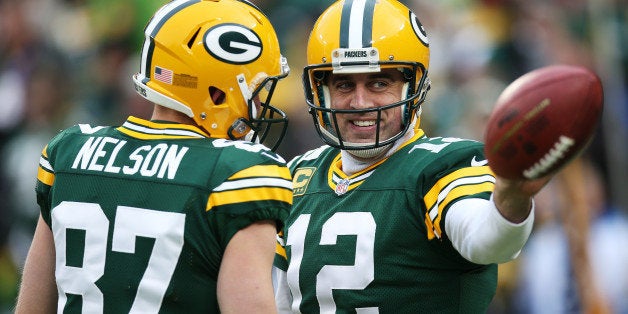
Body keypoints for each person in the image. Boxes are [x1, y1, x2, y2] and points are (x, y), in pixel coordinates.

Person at [273, 0, 553, 312]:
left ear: (414, 88)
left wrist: (511, 197)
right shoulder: (297, 174)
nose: (360, 101)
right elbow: (276, 303)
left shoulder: (443, 165)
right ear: (319, 90)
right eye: (343, 84)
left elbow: (487, 240)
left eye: (379, 82)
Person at [15, 0, 293, 312]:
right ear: (216, 93)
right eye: (255, 93)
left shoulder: (68, 152)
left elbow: (31, 308)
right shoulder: (238, 173)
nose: (258, 106)